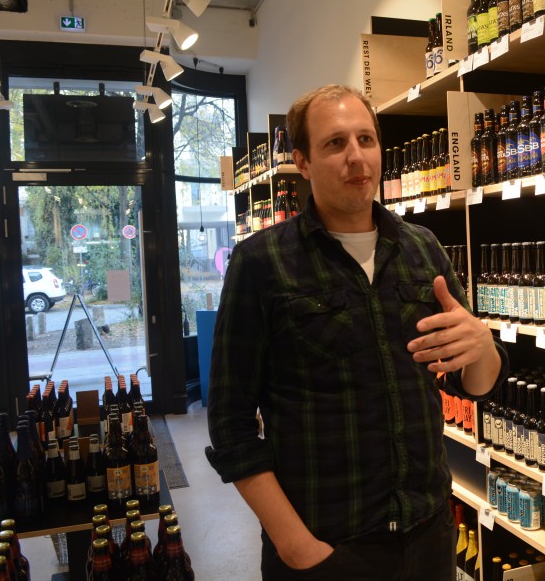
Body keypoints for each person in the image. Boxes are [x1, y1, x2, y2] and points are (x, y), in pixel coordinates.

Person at [205, 84, 509, 581]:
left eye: (366, 139)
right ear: (302, 162)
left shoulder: (422, 249)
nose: (356, 157)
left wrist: (482, 346)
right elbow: (230, 421)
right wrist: (297, 546)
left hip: (428, 536)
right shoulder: (262, 262)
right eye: (335, 143)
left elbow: (474, 383)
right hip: (327, 547)